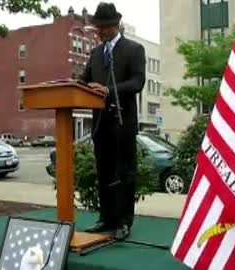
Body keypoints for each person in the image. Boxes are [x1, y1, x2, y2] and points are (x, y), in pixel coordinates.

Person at [81, 2, 146, 240]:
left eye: (104, 28)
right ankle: (106, 218)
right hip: (100, 124)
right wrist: (72, 85)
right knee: (104, 171)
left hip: (123, 123)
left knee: (125, 172)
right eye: (98, 27)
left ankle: (124, 222)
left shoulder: (134, 50)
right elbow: (85, 80)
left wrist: (108, 90)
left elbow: (137, 82)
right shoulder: (96, 53)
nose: (100, 32)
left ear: (116, 25)